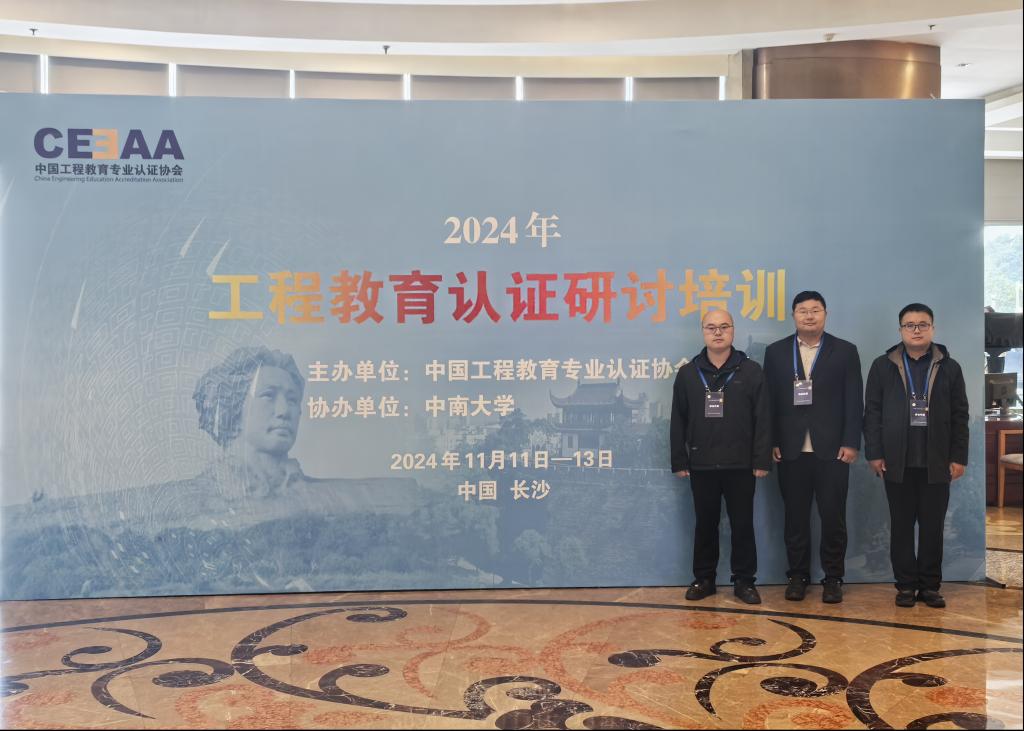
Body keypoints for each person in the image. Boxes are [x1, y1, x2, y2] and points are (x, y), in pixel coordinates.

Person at [864, 303, 969, 608]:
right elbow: (872, 414)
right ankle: (906, 586)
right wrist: (874, 453)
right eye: (910, 325)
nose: (916, 330)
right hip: (896, 462)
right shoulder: (882, 366)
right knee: (901, 527)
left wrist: (958, 456)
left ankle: (930, 587)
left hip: (937, 462)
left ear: (933, 328)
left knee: (933, 528)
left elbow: (960, 415)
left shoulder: (949, 367)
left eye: (923, 324)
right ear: (900, 330)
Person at [763, 291, 863, 603]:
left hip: (833, 451)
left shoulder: (845, 351)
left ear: (825, 314)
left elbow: (854, 400)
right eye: (803, 310)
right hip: (790, 450)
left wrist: (851, 442)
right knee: (795, 519)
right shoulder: (776, 352)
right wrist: (772, 441)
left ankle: (833, 578)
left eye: (815, 310)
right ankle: (797, 576)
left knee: (833, 518)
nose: (809, 315)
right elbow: (769, 402)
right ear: (793, 315)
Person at [671, 309, 772, 605]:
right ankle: (704, 579)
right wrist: (679, 459)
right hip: (701, 464)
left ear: (733, 330)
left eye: (724, 327)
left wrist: (761, 460)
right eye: (711, 327)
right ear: (703, 332)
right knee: (705, 524)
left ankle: (744, 581)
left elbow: (763, 418)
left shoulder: (751, 371)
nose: (718, 332)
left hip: (741, 464)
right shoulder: (688, 373)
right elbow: (678, 420)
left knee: (742, 524)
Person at [191, 345, 307, 497]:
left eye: (292, 400)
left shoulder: (331, 496)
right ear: (233, 406)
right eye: (268, 395)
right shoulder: (183, 498)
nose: (284, 411)